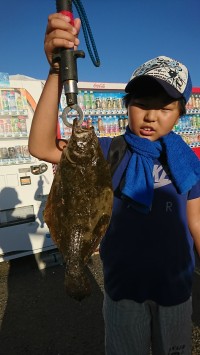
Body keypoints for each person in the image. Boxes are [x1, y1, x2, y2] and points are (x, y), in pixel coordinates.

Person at [28, 13, 200, 355]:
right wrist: (56, 73)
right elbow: (42, 147)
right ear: (127, 107)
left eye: (165, 108)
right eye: (141, 105)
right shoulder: (107, 151)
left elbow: (196, 221)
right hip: (123, 289)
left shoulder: (189, 162)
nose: (151, 116)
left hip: (177, 288)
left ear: (182, 111)